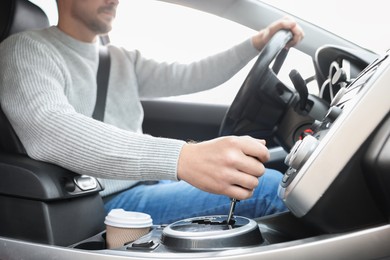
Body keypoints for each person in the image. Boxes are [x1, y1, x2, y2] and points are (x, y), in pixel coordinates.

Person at [0, 0, 304, 224]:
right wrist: (182, 158)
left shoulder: (119, 59)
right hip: (101, 201)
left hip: (148, 183)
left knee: (266, 181)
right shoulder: (27, 49)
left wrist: (257, 43)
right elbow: (50, 129)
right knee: (266, 189)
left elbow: (191, 75)